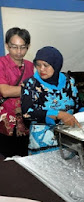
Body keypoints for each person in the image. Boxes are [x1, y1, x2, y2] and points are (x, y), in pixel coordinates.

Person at [21, 46, 84, 155]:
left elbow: (77, 105)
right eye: (38, 65)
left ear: (56, 65)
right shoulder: (30, 84)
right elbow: (28, 113)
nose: (41, 69)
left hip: (69, 143)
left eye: (46, 65)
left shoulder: (69, 82)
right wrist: (58, 114)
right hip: (42, 145)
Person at [0, 27, 34, 158]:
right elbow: (5, 91)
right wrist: (32, 89)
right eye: (14, 47)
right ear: (7, 45)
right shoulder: (1, 64)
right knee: (6, 160)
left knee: (25, 157)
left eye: (23, 47)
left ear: (28, 46)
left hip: (25, 121)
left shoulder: (30, 66)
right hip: (5, 122)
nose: (19, 52)